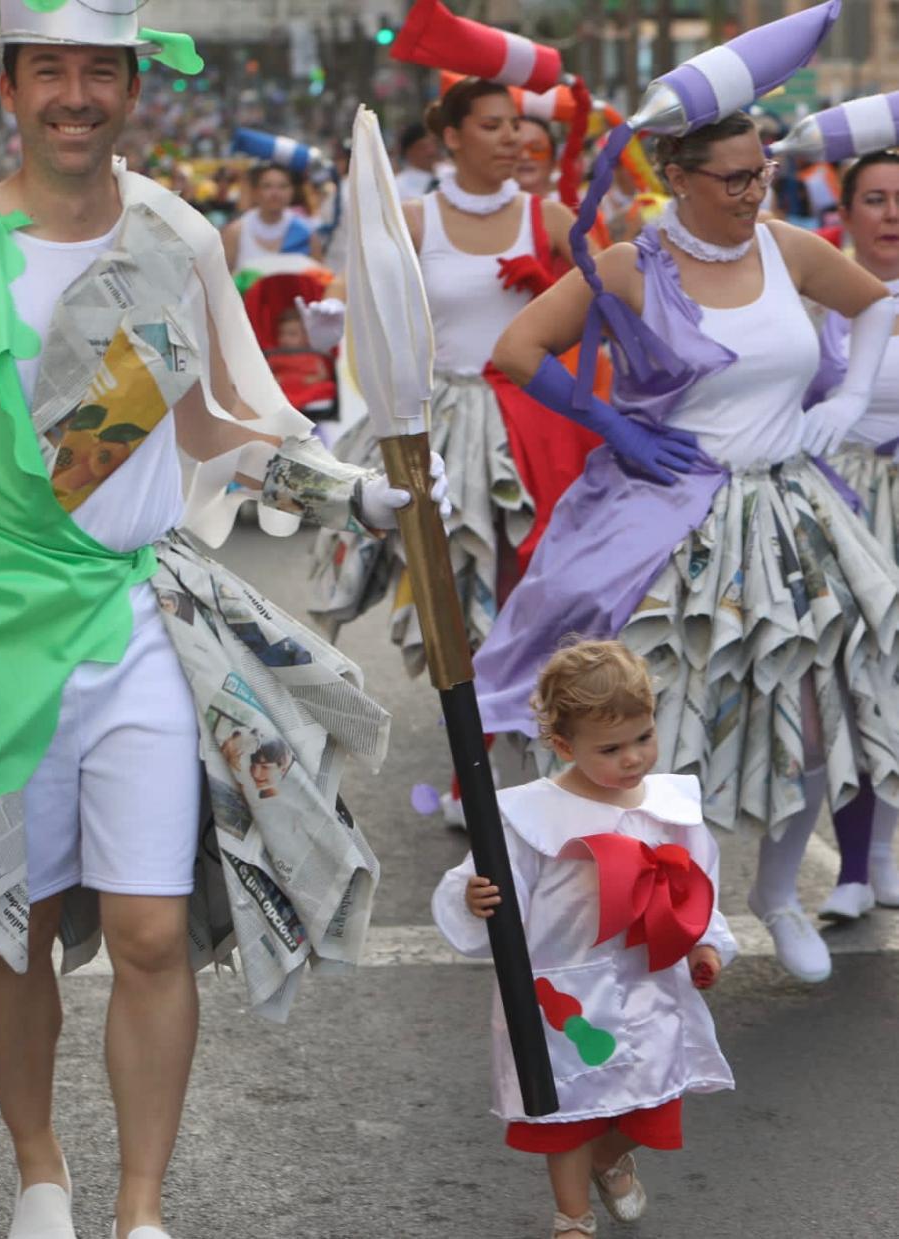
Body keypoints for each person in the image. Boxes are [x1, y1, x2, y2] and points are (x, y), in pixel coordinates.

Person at [0, 6, 448, 1239]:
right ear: (13, 88)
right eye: (52, 70)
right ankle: (39, 1171)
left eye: (102, 70)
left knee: (152, 929)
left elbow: (207, 422)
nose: (77, 95)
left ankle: (139, 1211)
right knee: (17, 926)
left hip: (139, 614)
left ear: (134, 88)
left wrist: (344, 485)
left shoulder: (173, 233)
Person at [473, 111, 899, 985]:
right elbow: (518, 348)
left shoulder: (788, 247)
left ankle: (779, 894)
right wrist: (608, 424)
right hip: (667, 514)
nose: (753, 192)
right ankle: (676, 912)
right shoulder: (633, 264)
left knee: (818, 722)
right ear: (681, 177)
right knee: (656, 730)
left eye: (761, 174)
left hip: (791, 513)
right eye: (734, 178)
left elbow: (877, 303)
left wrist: (849, 400)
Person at [311, 78, 599, 813]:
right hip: (445, 426)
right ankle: (475, 765)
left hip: (534, 424)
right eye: (495, 126)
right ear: (453, 136)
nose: (512, 139)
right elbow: (371, 312)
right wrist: (330, 330)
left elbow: (613, 308)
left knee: (528, 598)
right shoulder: (414, 219)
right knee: (458, 603)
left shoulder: (552, 215)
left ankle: (530, 767)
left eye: (518, 127)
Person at [433, 640, 735, 1239]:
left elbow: (696, 885)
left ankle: (610, 1155)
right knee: (565, 1108)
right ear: (564, 746)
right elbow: (489, 879)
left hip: (651, 982)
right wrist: (472, 897)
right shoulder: (531, 816)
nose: (633, 759)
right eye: (612, 748)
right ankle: (571, 1217)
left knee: (650, 1098)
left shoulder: (670, 806)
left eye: (643, 738)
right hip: (565, 991)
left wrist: (705, 942)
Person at [804, 149, 899, 919]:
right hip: (847, 501)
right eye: (875, 198)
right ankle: (853, 868)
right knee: (848, 675)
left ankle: (886, 855)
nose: (892, 213)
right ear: (845, 210)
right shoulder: (813, 291)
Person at [221, 161, 323, 271]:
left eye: (283, 186)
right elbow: (224, 279)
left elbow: (318, 276)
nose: (275, 193)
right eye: (267, 186)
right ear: (255, 192)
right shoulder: (236, 232)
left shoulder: (306, 231)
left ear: (292, 191)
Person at [393, 120, 439, 201]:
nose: (431, 151)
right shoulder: (398, 187)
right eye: (423, 147)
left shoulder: (450, 175)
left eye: (433, 143)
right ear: (408, 152)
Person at [514, 116, 557, 199]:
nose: (525, 157)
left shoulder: (575, 208)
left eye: (536, 149)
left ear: (553, 162)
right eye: (517, 148)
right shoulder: (485, 210)